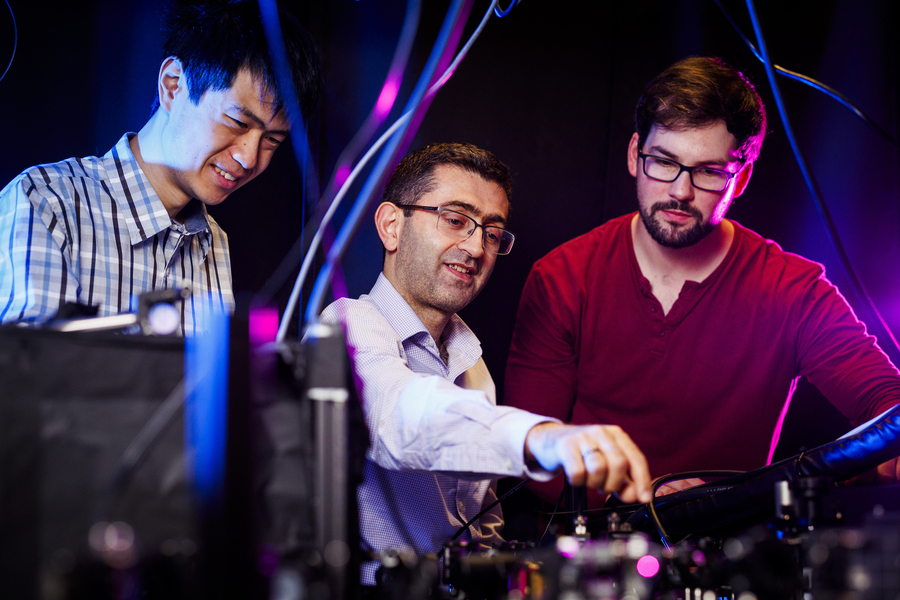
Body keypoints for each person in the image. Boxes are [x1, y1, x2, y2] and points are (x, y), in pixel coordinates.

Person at [504, 56, 900, 505]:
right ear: (636, 154)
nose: (679, 191)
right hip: (583, 553)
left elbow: (885, 402)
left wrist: (886, 454)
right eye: (664, 161)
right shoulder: (563, 276)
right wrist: (649, 505)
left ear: (742, 177)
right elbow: (528, 451)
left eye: (709, 171)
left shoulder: (793, 290)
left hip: (728, 558)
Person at [319, 142, 653, 586]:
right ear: (391, 226)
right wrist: (541, 437)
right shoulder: (346, 324)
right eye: (455, 220)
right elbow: (396, 413)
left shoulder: (471, 365)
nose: (476, 248)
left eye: (492, 234)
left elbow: (479, 524)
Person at [0, 1, 320, 335]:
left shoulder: (213, 242)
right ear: (172, 85)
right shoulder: (47, 202)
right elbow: (30, 376)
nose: (250, 158)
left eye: (272, 140)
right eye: (238, 122)